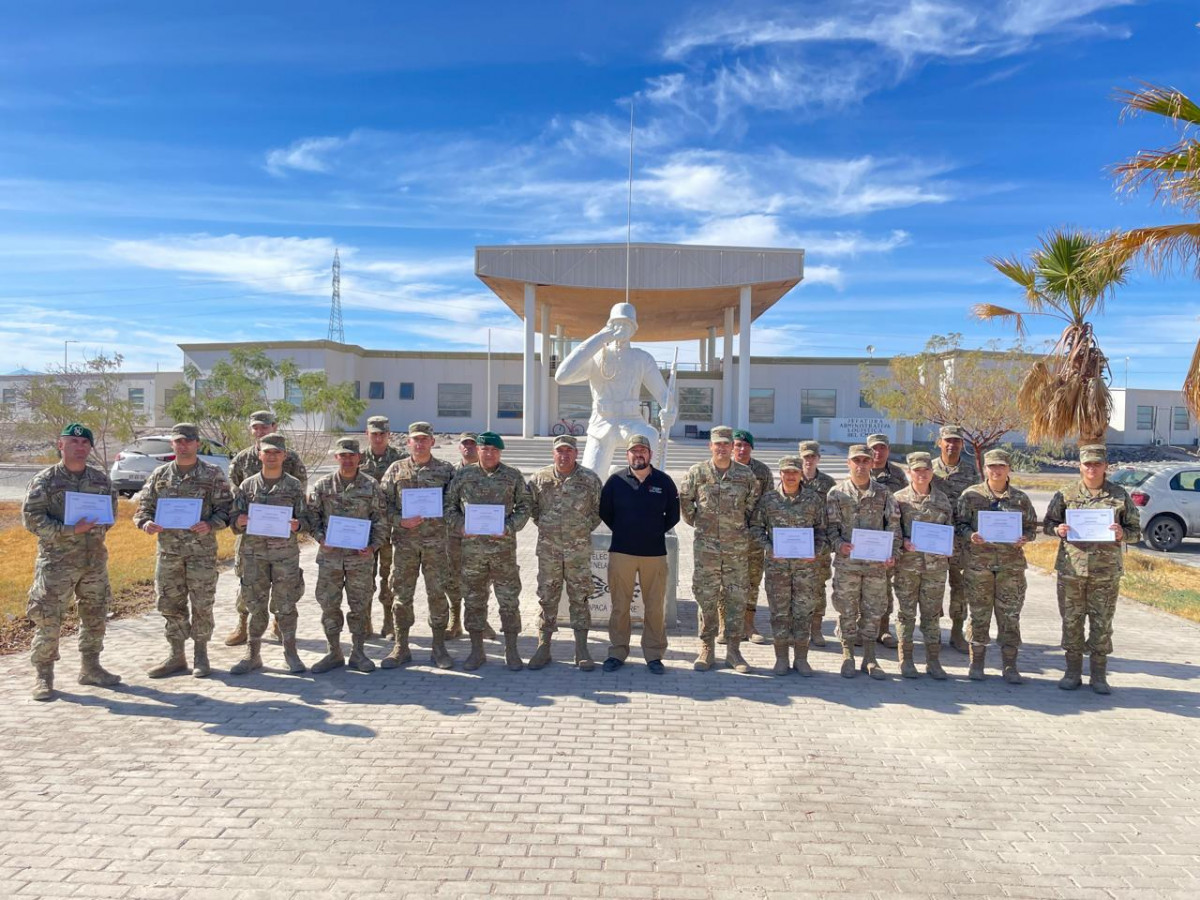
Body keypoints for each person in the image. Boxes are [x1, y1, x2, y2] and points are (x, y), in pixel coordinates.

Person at [22, 423, 122, 701]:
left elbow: (110, 514)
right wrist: (69, 531)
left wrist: (91, 531)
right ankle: (44, 674)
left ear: (89, 448)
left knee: (95, 615)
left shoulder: (101, 480)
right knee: (49, 617)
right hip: (57, 563)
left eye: (84, 443)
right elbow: (32, 519)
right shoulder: (45, 480)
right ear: (60, 445)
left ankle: (90, 668)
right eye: (73, 442)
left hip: (93, 561)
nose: (79, 447)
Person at [133, 422, 233, 680]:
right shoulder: (160, 475)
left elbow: (227, 511)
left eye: (188, 440)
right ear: (172, 444)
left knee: (202, 604)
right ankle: (176, 656)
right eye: (179, 441)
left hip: (201, 553)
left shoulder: (212, 475)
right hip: (169, 553)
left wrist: (210, 524)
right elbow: (143, 508)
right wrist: (146, 523)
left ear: (197, 443)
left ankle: (201, 654)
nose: (184, 445)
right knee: (170, 604)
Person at [1043, 445, 1141, 694]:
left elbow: (1135, 531)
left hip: (1105, 573)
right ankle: (1072, 672)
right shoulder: (1065, 494)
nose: (1092, 468)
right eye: (1087, 464)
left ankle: (1099, 675)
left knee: (1102, 624)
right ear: (1080, 466)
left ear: (1105, 466)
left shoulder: (1119, 495)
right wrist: (1058, 530)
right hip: (1072, 570)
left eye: (1097, 464)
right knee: (1072, 622)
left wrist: (1122, 533)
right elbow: (1048, 524)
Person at [553, 302, 675, 478]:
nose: (621, 328)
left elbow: (664, 395)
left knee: (650, 434)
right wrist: (599, 338)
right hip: (602, 423)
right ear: (608, 325)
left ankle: (650, 487)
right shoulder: (596, 357)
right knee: (591, 479)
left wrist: (670, 411)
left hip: (632, 421)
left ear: (634, 328)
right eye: (616, 323)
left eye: (626, 324)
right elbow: (562, 376)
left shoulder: (642, 358)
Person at [679, 425, 763, 673]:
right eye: (718, 444)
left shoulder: (745, 475)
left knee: (736, 598)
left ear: (731, 446)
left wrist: (735, 527)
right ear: (711, 446)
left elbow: (752, 505)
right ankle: (706, 648)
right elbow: (685, 500)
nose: (723, 448)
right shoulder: (698, 472)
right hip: (706, 550)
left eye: (727, 444)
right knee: (706, 597)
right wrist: (698, 522)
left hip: (736, 549)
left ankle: (734, 651)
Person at [445, 431, 531, 671]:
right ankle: (476, 651)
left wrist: (509, 526)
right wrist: (460, 526)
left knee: (509, 600)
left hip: (503, 550)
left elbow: (525, 506)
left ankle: (511, 651)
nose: (489, 453)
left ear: (500, 452)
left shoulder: (512, 476)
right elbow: (448, 505)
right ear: (478, 451)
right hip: (472, 551)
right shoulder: (463, 475)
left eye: (494, 450)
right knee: (474, 600)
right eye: (485, 449)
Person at [224, 410, 308, 647]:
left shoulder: (290, 459)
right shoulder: (241, 460)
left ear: (274, 427)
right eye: (256, 428)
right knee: (246, 577)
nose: (260, 432)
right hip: (251, 535)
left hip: (281, 535)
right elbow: (235, 494)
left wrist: (293, 522)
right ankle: (244, 623)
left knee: (284, 581)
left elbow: (299, 493)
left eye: (265, 427)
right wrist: (239, 519)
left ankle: (279, 624)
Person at [378, 422, 458, 670]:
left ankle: (438, 648)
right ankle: (401, 647)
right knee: (401, 596)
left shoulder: (446, 471)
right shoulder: (396, 469)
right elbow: (382, 505)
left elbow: (455, 504)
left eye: (425, 439)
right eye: (416, 439)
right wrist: (399, 520)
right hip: (405, 545)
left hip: (436, 545)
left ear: (432, 442)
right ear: (408, 442)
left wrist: (444, 516)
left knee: (437, 595)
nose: (420, 443)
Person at [955, 449, 1039, 683]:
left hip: (1010, 568)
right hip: (978, 566)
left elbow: (1032, 527)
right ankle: (976, 664)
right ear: (985, 469)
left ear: (1008, 469)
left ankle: (1010, 666)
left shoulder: (1020, 499)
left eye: (1001, 466)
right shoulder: (971, 496)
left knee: (1009, 616)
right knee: (979, 615)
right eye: (992, 466)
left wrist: (1026, 538)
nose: (996, 470)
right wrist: (971, 535)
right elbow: (959, 524)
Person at [599, 435, 680, 674]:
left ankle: (654, 655)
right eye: (634, 451)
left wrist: (652, 532)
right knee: (620, 606)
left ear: (650, 455)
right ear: (627, 455)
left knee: (654, 607)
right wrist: (625, 531)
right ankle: (617, 652)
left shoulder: (663, 482)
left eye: (643, 451)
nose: (638, 455)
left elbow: (673, 515)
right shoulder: (615, 481)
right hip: (621, 552)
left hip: (653, 554)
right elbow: (606, 511)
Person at [307, 438, 389, 674]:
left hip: (360, 558)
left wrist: (373, 546)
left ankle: (358, 652)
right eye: (343, 455)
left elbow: (380, 520)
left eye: (352, 455)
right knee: (329, 605)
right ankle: (333, 652)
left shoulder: (371, 486)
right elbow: (312, 517)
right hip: (330, 558)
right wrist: (321, 538)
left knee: (359, 606)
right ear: (336, 458)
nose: (348, 459)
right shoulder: (323, 485)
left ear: (359, 458)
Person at [527, 434, 603, 670]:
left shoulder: (589, 479)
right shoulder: (539, 479)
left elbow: (599, 511)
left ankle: (581, 649)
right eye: (560, 451)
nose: (564, 454)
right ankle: (543, 647)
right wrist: (550, 527)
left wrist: (579, 530)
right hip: (549, 551)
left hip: (578, 552)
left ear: (576, 453)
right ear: (553, 453)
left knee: (579, 599)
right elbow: (533, 510)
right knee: (547, 598)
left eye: (568, 450)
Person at [825, 444, 901, 679]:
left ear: (871, 463)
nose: (861, 465)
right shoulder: (836, 494)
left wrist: (893, 553)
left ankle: (870, 658)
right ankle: (847, 654)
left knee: (873, 610)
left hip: (876, 566)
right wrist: (840, 545)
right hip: (848, 564)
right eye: (856, 461)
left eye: (865, 461)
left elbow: (894, 526)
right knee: (846, 610)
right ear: (848, 463)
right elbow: (830, 529)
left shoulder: (884, 493)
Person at [749, 455, 827, 676]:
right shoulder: (769, 500)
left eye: (794, 472)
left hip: (806, 569)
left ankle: (801, 659)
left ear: (801, 473)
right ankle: (781, 658)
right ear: (780, 474)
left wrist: (817, 551)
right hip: (777, 568)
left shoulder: (813, 500)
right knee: (779, 613)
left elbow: (823, 530)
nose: (791, 476)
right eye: (786, 472)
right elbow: (755, 527)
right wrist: (768, 547)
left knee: (803, 613)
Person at [893, 452, 954, 680]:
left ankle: (933, 661)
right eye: (916, 470)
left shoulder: (943, 500)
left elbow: (950, 530)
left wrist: (948, 546)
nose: (921, 474)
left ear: (932, 473)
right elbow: (891, 531)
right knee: (906, 614)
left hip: (935, 569)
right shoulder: (898, 499)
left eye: (926, 470)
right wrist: (903, 543)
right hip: (907, 567)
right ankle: (906, 660)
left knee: (931, 615)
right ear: (909, 473)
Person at [444, 432, 497, 641]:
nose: (469, 448)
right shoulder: (450, 472)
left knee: (482, 579)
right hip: (456, 535)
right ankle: (455, 620)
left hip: (485, 537)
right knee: (452, 577)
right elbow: (446, 503)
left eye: (473, 444)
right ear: (459, 448)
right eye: (465, 444)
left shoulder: (491, 471)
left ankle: (480, 620)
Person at [359, 415, 407, 639]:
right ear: (367, 434)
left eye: (382, 434)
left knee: (389, 576)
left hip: (390, 528)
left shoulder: (401, 459)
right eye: (374, 434)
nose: (378, 438)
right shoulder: (356, 458)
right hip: (363, 528)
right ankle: (365, 621)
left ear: (389, 435)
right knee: (364, 576)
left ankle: (389, 622)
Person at [931, 424, 976, 654]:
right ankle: (933, 630)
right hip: (933, 540)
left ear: (962, 444)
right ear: (940, 443)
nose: (951, 445)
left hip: (961, 541)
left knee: (960, 587)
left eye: (956, 441)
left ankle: (957, 631)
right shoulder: (928, 470)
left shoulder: (971, 473)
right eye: (947, 440)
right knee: (933, 586)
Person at [730, 429, 773, 645]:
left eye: (745, 445)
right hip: (728, 536)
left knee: (752, 580)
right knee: (726, 580)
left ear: (751, 448)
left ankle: (748, 623)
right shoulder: (723, 468)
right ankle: (725, 623)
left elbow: (770, 504)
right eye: (737, 445)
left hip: (754, 536)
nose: (741, 449)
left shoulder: (762, 472)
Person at [866, 433, 907, 650]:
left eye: (882, 448)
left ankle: (883, 629)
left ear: (888, 450)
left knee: (884, 584)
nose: (878, 452)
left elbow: (905, 502)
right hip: (863, 537)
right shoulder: (861, 469)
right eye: (874, 448)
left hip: (887, 536)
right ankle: (861, 627)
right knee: (860, 584)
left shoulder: (898, 475)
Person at [798, 441, 837, 648]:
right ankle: (799, 628)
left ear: (818, 459)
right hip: (795, 545)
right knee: (797, 587)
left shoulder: (828, 483)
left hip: (819, 544)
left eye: (812, 457)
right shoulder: (792, 478)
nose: (809, 460)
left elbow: (833, 515)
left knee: (818, 587)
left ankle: (816, 628)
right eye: (805, 457)